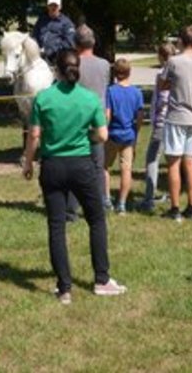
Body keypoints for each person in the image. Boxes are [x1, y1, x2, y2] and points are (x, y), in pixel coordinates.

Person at [21, 50, 126, 303]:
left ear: (55, 70)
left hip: (52, 167)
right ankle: (101, 280)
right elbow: (102, 136)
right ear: (78, 68)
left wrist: (28, 162)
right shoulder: (89, 99)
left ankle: (64, 288)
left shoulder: (43, 98)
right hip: (82, 166)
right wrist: (85, 137)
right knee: (96, 220)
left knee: (56, 226)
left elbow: (34, 135)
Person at [159, 26, 192, 221]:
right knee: (191, 163)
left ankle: (174, 208)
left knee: (173, 163)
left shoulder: (173, 61)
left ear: (181, 41)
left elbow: (162, 84)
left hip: (176, 116)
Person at [75, 25, 111, 211]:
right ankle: (99, 205)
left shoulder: (72, 64)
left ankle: (71, 208)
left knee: (74, 164)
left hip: (76, 121)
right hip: (98, 121)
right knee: (98, 166)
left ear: (75, 44)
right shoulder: (104, 65)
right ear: (93, 42)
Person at [103, 58, 144, 213]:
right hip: (128, 135)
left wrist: (104, 130)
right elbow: (139, 116)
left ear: (115, 73)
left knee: (104, 166)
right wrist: (136, 132)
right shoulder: (137, 92)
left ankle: (106, 199)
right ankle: (122, 204)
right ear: (129, 72)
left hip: (113, 134)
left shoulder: (111, 91)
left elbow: (107, 114)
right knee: (126, 170)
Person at [137, 43, 173, 213]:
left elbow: (162, 98)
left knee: (152, 159)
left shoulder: (163, 74)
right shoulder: (178, 71)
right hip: (173, 121)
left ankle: (149, 198)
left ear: (161, 56)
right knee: (173, 159)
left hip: (162, 122)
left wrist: (157, 115)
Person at [31, 0, 77, 64]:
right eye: (51, 5)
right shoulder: (41, 20)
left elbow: (69, 43)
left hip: (58, 59)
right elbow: (34, 35)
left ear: (60, 7)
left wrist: (51, 50)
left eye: (55, 6)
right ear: (47, 6)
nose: (53, 8)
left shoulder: (67, 23)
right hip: (39, 57)